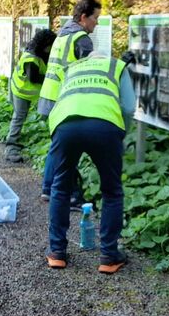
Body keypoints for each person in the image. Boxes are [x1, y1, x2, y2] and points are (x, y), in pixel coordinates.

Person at [45, 51, 135, 274]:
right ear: (105, 57)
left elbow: (59, 100)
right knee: (112, 191)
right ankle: (109, 256)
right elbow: (129, 107)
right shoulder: (116, 66)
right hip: (105, 125)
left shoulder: (72, 68)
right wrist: (120, 133)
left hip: (65, 124)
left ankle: (57, 252)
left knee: (60, 186)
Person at [37, 0, 102, 206]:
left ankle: (48, 188)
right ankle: (72, 194)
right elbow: (90, 71)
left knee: (58, 147)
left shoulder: (63, 34)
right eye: (95, 18)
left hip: (50, 97)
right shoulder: (81, 39)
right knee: (69, 148)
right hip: (64, 101)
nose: (97, 23)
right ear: (84, 17)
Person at [5, 29, 57, 163]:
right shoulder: (32, 58)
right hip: (21, 90)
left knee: (20, 116)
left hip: (24, 89)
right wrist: (51, 78)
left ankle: (15, 141)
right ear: (45, 44)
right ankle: (11, 146)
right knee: (19, 117)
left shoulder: (36, 50)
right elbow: (33, 78)